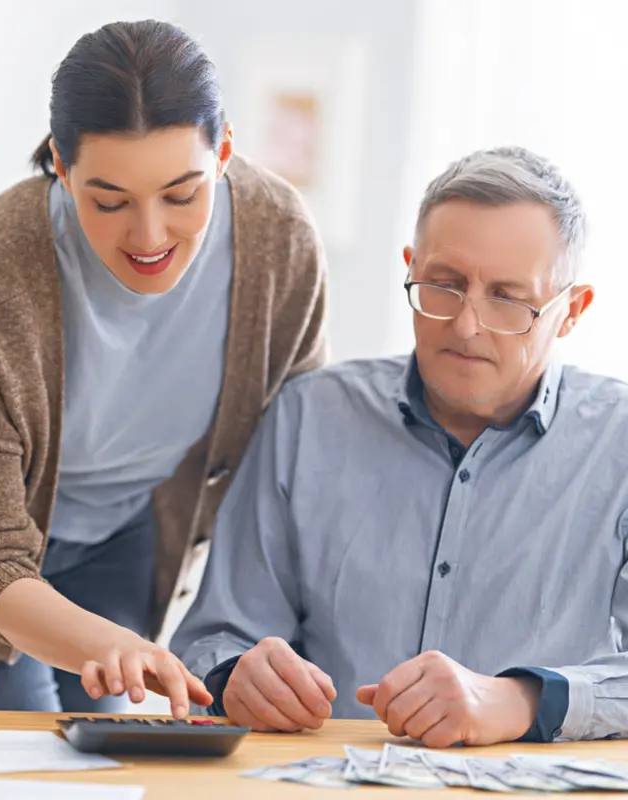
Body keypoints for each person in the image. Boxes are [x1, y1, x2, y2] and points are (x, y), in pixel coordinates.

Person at [0, 19, 328, 718]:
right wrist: (108, 646)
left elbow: (293, 464)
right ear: (61, 164)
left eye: (181, 195)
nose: (149, 236)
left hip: (121, 527)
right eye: (108, 201)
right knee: (16, 761)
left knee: (105, 753)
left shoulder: (279, 241)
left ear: (225, 150)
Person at [171, 145, 628, 747]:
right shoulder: (308, 417)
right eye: (445, 284)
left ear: (571, 311)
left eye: (508, 297)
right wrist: (235, 678)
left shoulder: (618, 444)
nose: (467, 325)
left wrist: (520, 700)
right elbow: (216, 635)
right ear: (411, 267)